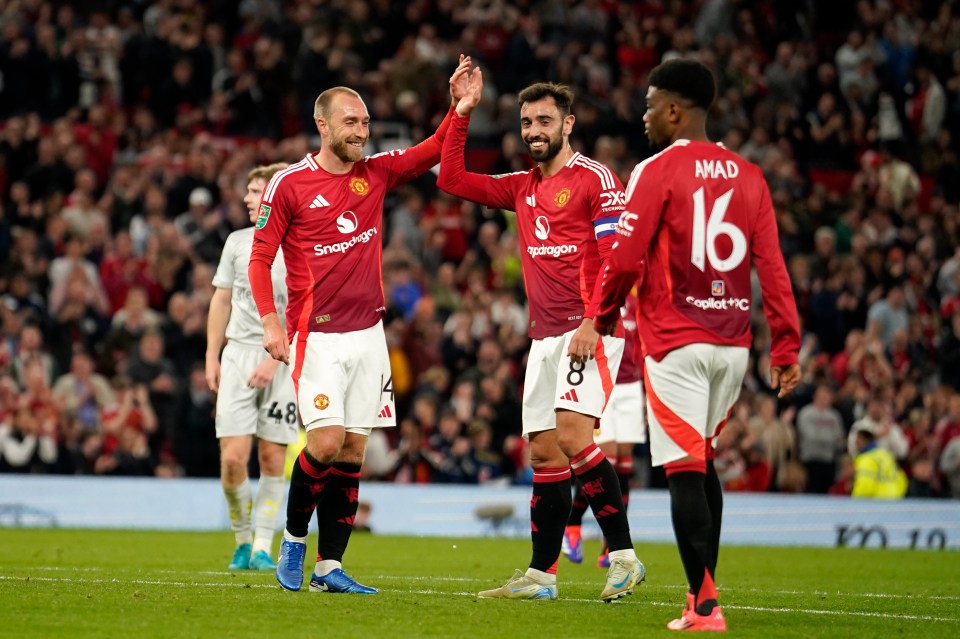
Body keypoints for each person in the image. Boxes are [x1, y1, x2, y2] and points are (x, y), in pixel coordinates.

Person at [249, 56, 474, 594]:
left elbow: (429, 153)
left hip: (368, 335)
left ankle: (330, 567)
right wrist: (270, 323)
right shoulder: (288, 185)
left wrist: (458, 110)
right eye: (352, 122)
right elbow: (260, 259)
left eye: (366, 123)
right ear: (323, 124)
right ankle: (294, 540)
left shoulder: (375, 173)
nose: (362, 132)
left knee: (353, 451)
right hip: (318, 337)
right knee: (323, 444)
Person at [592, 59, 801, 632]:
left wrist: (602, 320)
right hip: (732, 345)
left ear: (675, 111)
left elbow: (626, 258)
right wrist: (785, 348)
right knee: (702, 462)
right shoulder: (751, 175)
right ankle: (699, 597)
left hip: (675, 341)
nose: (644, 116)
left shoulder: (656, 170)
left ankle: (705, 606)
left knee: (684, 470)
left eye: (651, 105)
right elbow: (773, 269)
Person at [438, 69, 644, 602]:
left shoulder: (595, 179)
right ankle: (541, 576)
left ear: (568, 124)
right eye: (527, 120)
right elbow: (452, 179)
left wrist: (592, 322)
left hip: (588, 329)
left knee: (576, 438)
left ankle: (623, 557)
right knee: (546, 456)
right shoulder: (523, 187)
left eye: (545, 120)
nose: (534, 129)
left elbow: (616, 260)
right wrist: (462, 113)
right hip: (544, 336)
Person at [206, 162, 295, 571]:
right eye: (248, 190)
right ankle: (241, 540)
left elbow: (303, 308)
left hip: (283, 358)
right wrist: (212, 354)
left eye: (256, 190)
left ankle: (261, 546)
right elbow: (221, 300)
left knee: (274, 459)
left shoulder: (298, 244)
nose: (247, 197)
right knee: (232, 460)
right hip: (238, 354)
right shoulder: (237, 242)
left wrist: (273, 362)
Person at [563, 288, 646, 569]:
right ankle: (572, 526)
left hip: (632, 388)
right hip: (605, 381)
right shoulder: (601, 297)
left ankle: (609, 546)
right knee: (606, 460)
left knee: (624, 465)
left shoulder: (637, 301)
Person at [851, 426, 908, 499]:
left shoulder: (865, 459)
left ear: (866, 440)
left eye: (858, 439)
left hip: (876, 503)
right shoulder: (886, 455)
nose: (856, 442)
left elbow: (865, 485)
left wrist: (855, 502)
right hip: (894, 501)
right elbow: (901, 479)